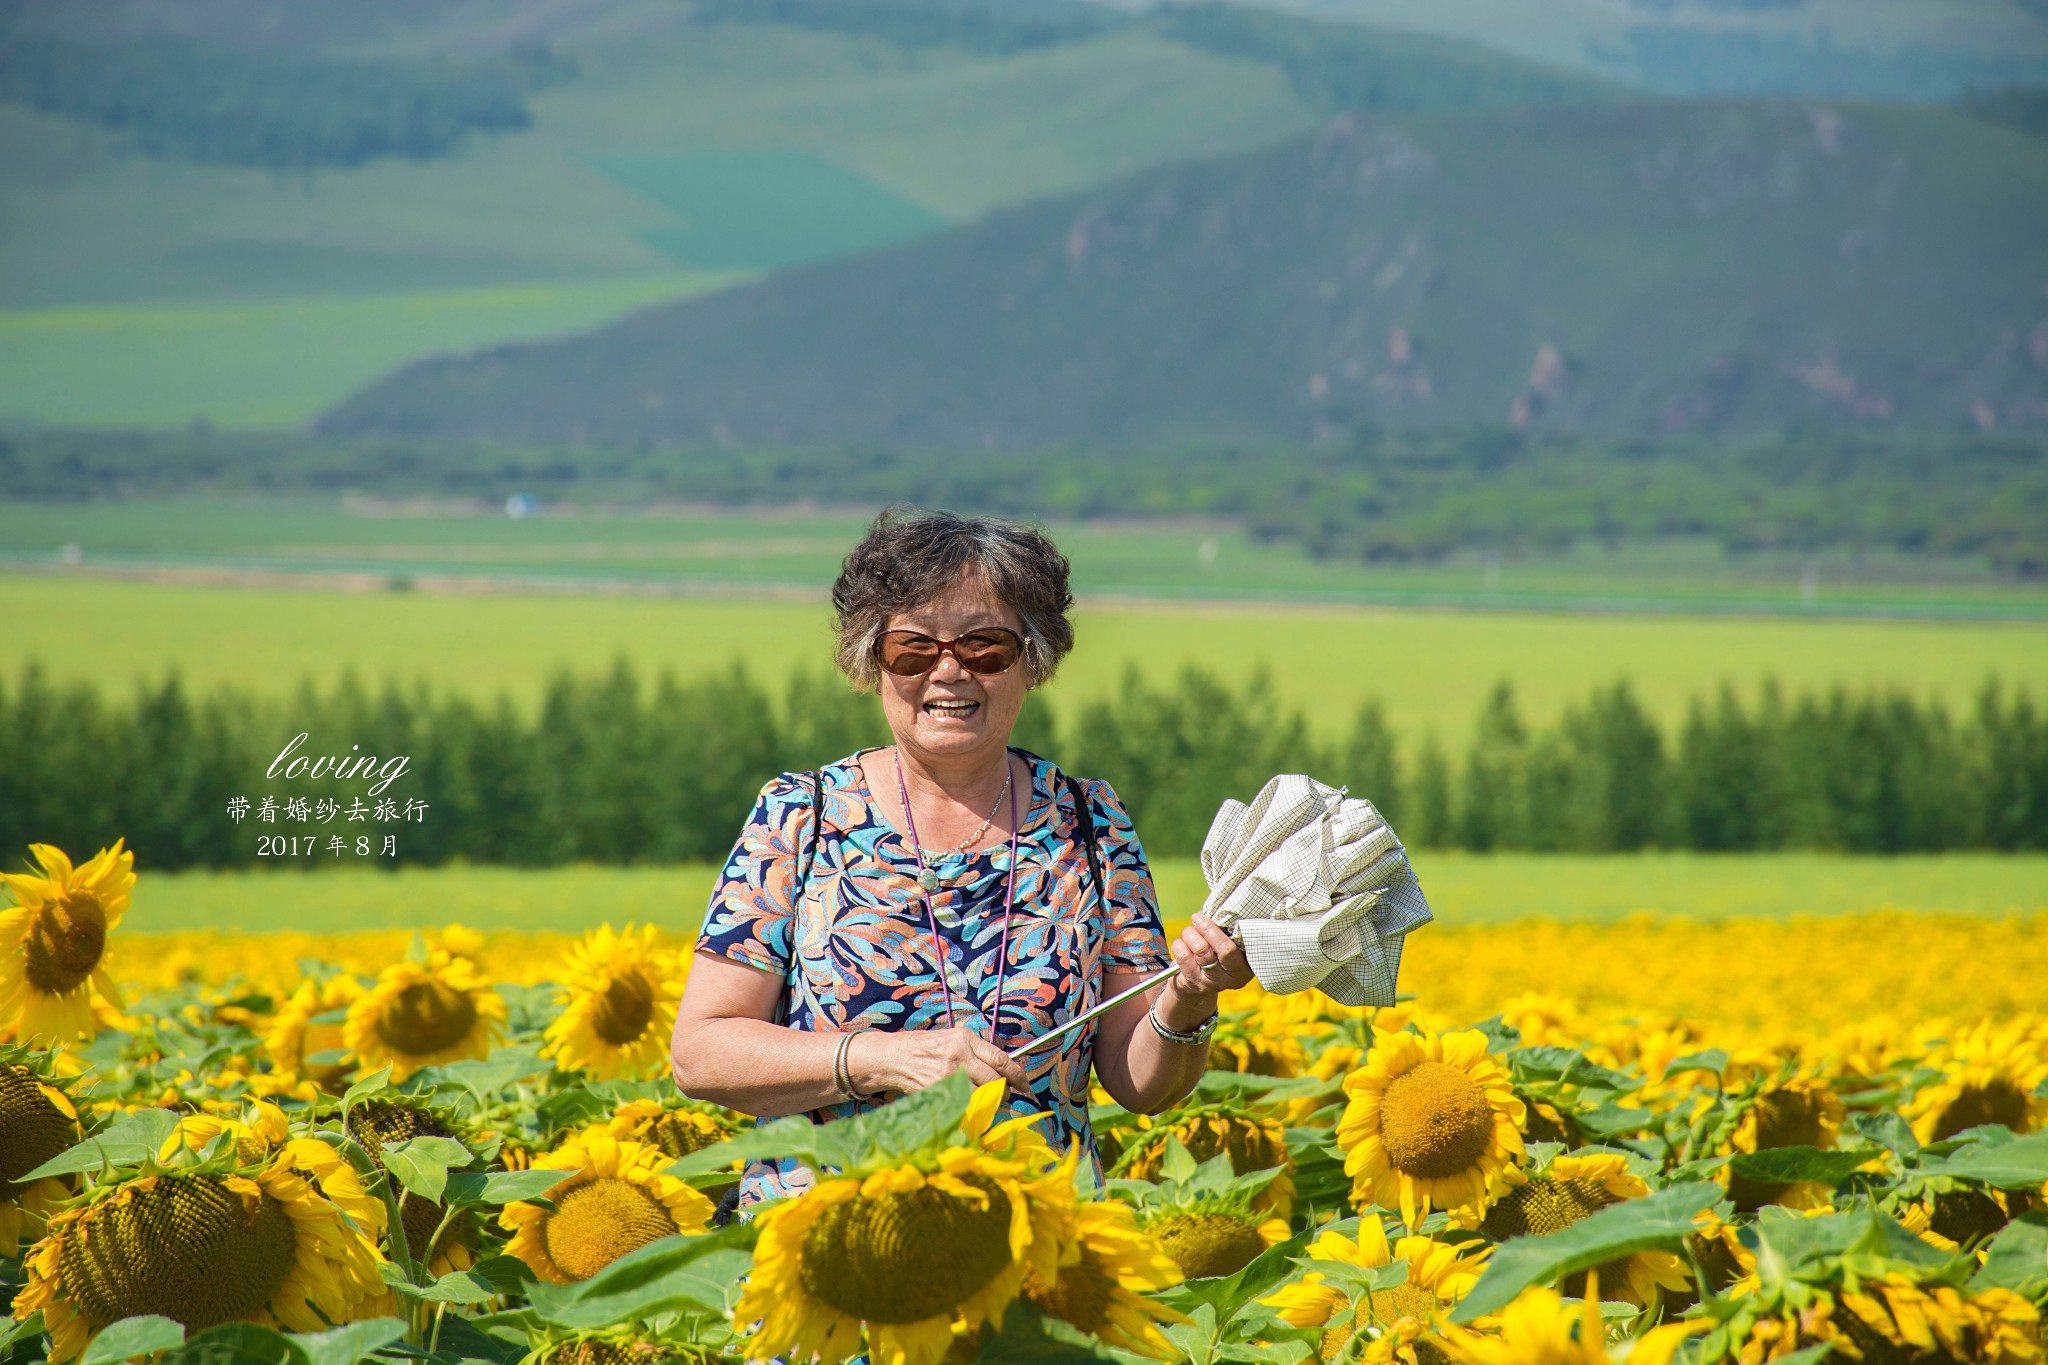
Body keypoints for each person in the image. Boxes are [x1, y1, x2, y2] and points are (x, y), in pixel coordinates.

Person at [670, 507, 1253, 1209]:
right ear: (870, 659)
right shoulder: (801, 816)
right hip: (825, 1252)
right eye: (913, 648)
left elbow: (1141, 1083)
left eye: (985, 647)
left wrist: (1188, 999)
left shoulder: (1091, 824)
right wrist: (881, 1058)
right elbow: (702, 1053)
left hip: (1035, 1252)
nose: (949, 670)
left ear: (1032, 659)